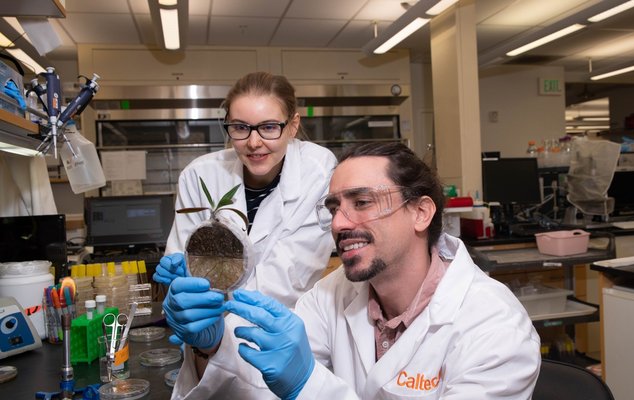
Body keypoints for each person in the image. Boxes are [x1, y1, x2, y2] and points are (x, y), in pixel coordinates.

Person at [165, 142, 541, 399]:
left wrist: (307, 384)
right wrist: (209, 346)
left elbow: (300, 387)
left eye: (362, 202)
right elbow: (260, 390)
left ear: (421, 213)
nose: (340, 223)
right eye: (333, 208)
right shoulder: (330, 295)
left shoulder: (494, 326)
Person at [154, 71, 337, 309]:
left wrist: (215, 300)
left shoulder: (317, 171)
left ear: (293, 126)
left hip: (278, 324)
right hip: (206, 323)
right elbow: (184, 263)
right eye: (241, 128)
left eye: (269, 127)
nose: (253, 142)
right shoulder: (199, 175)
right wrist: (181, 279)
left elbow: (287, 280)